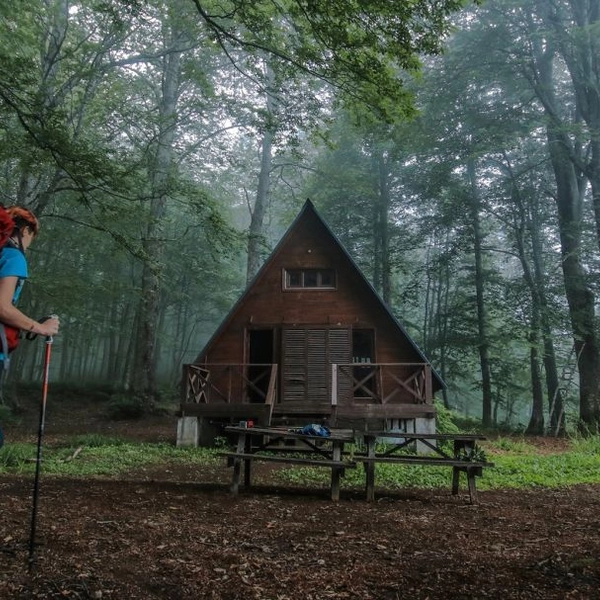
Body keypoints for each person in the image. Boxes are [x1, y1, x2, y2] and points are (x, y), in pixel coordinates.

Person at [0, 206, 59, 370]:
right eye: (32, 238)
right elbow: (2, 308)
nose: (28, 245)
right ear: (25, 231)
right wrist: (41, 328)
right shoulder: (13, 257)